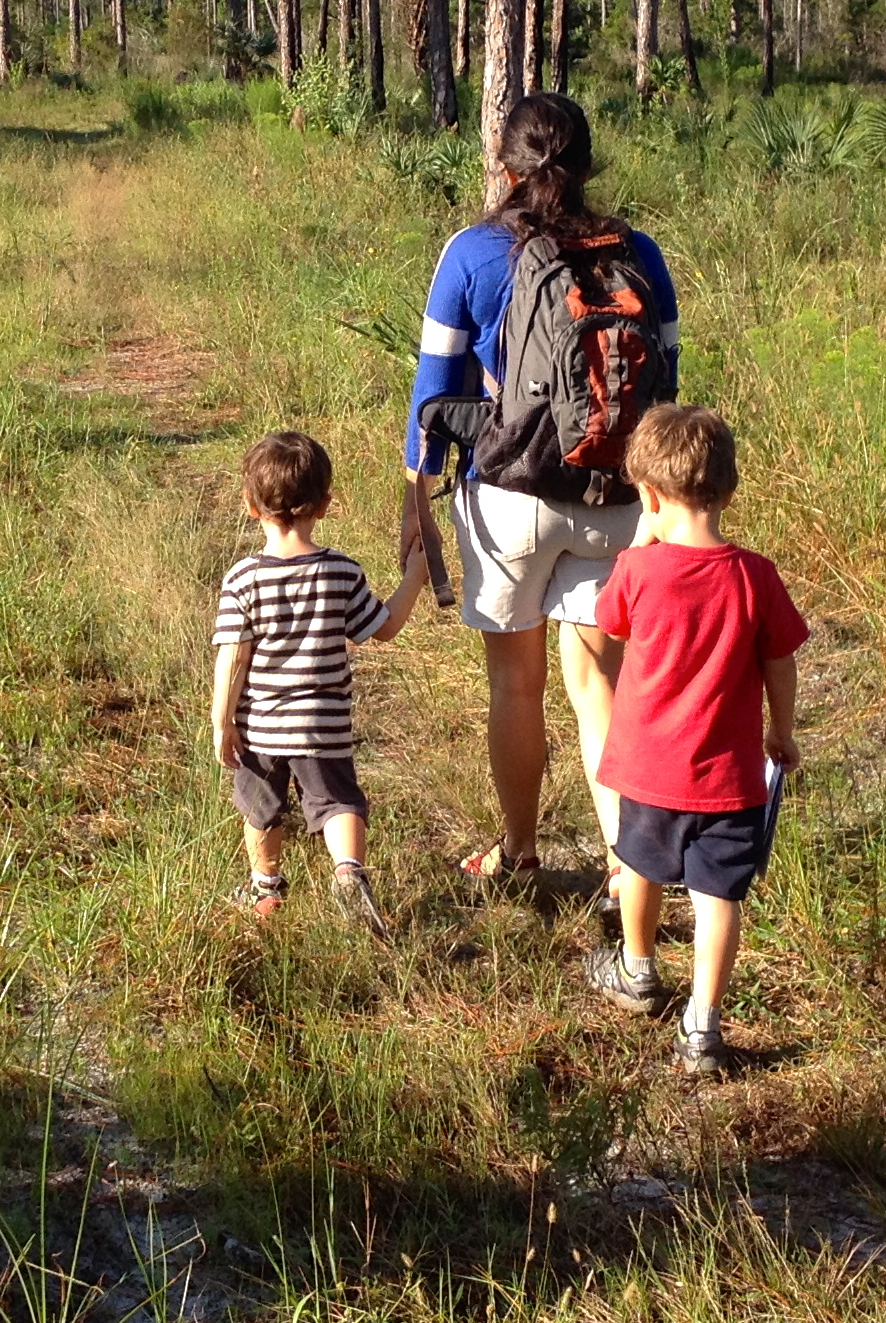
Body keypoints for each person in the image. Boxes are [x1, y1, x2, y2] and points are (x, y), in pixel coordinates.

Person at [401, 93, 681, 880]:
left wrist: (415, 502)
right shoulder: (638, 251)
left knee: (515, 685)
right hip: (617, 498)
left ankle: (520, 851)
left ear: (504, 165)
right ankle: (627, 872)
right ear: (589, 164)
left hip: (508, 498)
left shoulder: (472, 252)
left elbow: (434, 389)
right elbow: (665, 382)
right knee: (599, 685)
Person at [578, 406, 805, 1076]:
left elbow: (610, 624)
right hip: (730, 778)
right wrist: (780, 730)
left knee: (639, 866)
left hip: (648, 770)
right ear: (728, 492)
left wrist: (638, 543)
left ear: (648, 497)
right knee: (719, 898)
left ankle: (637, 968)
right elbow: (781, 661)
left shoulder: (639, 570)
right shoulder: (756, 576)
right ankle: (703, 1026)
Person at [212, 430, 429, 928]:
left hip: (261, 726)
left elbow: (233, 657)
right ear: (326, 505)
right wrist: (414, 578)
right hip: (324, 724)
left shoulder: (242, 579)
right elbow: (383, 628)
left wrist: (222, 721)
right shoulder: (341, 571)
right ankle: (349, 871)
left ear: (250, 506)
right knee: (338, 802)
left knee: (260, 809)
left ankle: (265, 888)